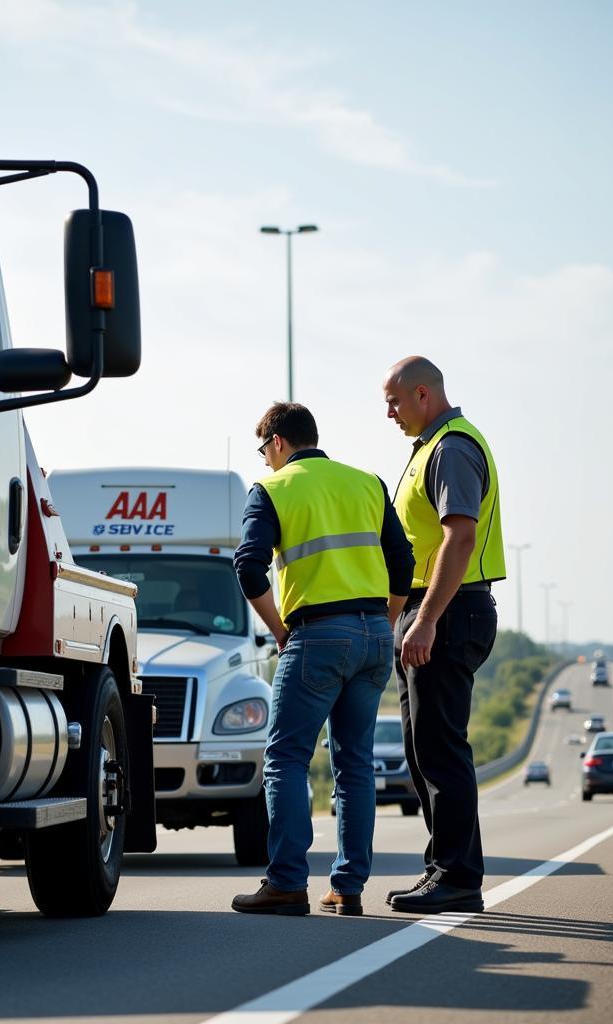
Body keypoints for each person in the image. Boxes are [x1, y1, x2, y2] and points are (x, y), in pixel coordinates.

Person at [231, 402, 413, 916]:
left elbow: (248, 568)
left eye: (265, 449)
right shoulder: (367, 483)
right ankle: (347, 888)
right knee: (354, 765)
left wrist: (281, 631)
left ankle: (287, 883)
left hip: (316, 635)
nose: (266, 460)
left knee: (286, 758)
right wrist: (383, 622)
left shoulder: (273, 489)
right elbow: (403, 563)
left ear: (279, 442)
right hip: (376, 634)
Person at [382, 356, 505, 915]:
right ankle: (444, 869)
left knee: (440, 748)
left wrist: (426, 618)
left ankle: (457, 877)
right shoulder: (431, 448)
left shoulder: (451, 447)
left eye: (395, 401)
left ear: (424, 394)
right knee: (422, 747)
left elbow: (459, 538)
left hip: (451, 612)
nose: (389, 413)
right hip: (435, 610)